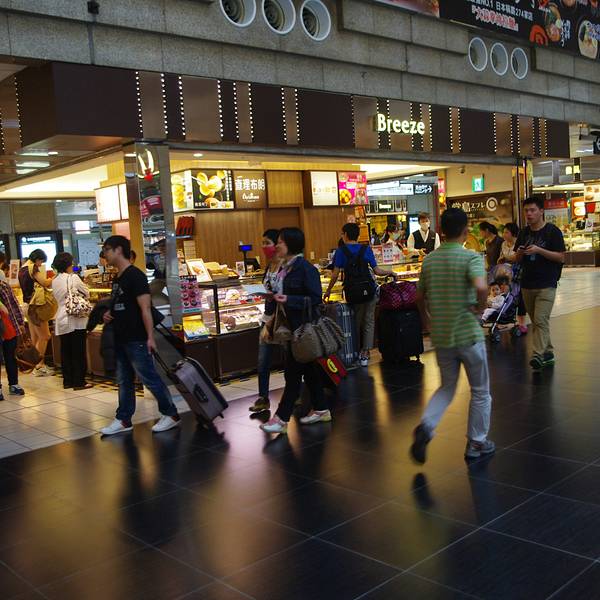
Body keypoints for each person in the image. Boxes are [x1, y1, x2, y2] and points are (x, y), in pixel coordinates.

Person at [410, 207, 494, 462]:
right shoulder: (471, 258)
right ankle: (476, 442)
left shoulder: (430, 260)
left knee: (447, 387)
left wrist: (427, 321)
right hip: (468, 333)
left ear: (441, 231)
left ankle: (426, 426)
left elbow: (419, 296)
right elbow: (481, 287)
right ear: (466, 231)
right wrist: (480, 307)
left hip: (442, 335)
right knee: (480, 391)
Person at [99, 235, 180, 435]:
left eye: (107, 249)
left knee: (149, 377)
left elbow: (145, 308)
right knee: (124, 380)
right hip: (120, 337)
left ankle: (170, 413)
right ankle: (123, 419)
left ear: (118, 250)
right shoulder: (118, 278)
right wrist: (109, 313)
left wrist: (150, 337)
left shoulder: (136, 276)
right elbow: (121, 304)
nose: (104, 254)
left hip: (136, 338)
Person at [260, 227, 329, 434]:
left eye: (280, 242)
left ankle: (281, 419)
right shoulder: (285, 268)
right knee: (309, 371)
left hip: (302, 330)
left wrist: (289, 299)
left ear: (291, 244)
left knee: (292, 375)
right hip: (290, 328)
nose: (277, 245)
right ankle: (321, 409)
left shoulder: (305, 269)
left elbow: (315, 298)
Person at [324, 222, 396, 368]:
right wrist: (390, 272)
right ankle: (365, 352)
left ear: (345, 235)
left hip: (353, 292)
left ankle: (354, 352)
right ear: (357, 235)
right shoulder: (366, 249)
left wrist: (328, 290)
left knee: (355, 323)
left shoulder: (341, 251)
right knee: (369, 321)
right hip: (369, 290)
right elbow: (377, 271)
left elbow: (335, 274)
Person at [515, 196, 565, 371]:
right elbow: (517, 258)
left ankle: (537, 355)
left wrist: (539, 250)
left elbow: (560, 257)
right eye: (526, 211)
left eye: (532, 210)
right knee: (537, 321)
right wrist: (520, 253)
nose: (529, 214)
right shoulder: (523, 233)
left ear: (541, 211)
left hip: (547, 283)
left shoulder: (552, 232)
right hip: (527, 284)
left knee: (540, 319)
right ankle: (548, 353)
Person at [249, 229, 282, 413]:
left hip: (282, 319)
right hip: (267, 317)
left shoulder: (285, 267)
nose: (264, 247)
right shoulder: (269, 267)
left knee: (290, 360)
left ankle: (296, 393)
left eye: (267, 243)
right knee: (263, 361)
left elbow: (283, 295)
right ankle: (263, 398)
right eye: (262, 243)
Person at [51, 252, 93, 390]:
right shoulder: (73, 277)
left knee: (66, 351)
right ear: (68, 264)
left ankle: (67, 381)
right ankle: (79, 381)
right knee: (78, 351)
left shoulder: (54, 280)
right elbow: (87, 292)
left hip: (61, 317)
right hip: (75, 317)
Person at [18, 249, 54, 377]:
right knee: (45, 336)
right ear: (38, 259)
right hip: (35, 307)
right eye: (41, 262)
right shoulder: (32, 267)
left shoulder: (22, 268)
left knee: (36, 338)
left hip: (27, 305)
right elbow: (44, 282)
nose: (40, 265)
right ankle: (36, 366)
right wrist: (54, 277)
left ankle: (38, 365)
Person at [498, 223, 528, 334]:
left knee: (520, 298)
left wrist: (507, 258)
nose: (504, 234)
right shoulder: (503, 244)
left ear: (513, 233)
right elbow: (502, 257)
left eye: (506, 232)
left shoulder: (519, 243)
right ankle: (506, 320)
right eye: (503, 232)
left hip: (518, 274)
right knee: (507, 297)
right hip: (506, 275)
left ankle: (522, 323)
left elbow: (517, 258)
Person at [0, 280, 25, 397]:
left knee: (11, 356)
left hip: (9, 326)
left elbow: (14, 304)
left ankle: (14, 384)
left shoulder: (4, 286)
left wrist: (20, 322)